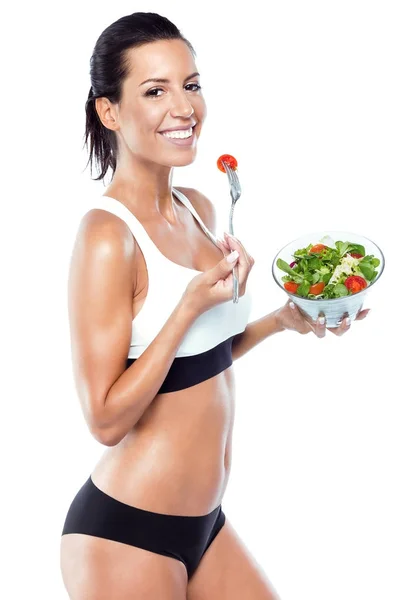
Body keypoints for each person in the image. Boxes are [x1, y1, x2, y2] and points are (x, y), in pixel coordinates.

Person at [60, 11, 370, 600]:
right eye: (155, 91)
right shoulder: (107, 235)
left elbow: (199, 362)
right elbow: (103, 419)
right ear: (110, 112)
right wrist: (184, 309)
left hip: (205, 525)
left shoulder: (200, 206)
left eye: (191, 84)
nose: (184, 108)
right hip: (127, 536)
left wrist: (283, 321)